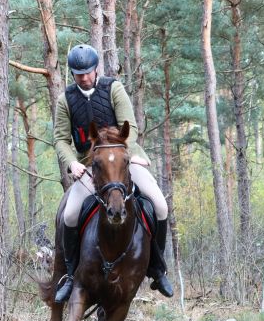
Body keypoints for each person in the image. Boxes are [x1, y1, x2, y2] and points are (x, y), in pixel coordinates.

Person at [53, 43, 174, 303]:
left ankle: (158, 268)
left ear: (96, 69)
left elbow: (130, 127)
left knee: (160, 206)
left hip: (124, 161)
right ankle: (70, 276)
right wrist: (72, 163)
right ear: (72, 73)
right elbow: (61, 139)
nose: (84, 77)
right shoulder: (66, 100)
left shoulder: (114, 89)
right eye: (78, 74)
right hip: (92, 167)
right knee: (70, 214)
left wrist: (123, 154)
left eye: (88, 72)